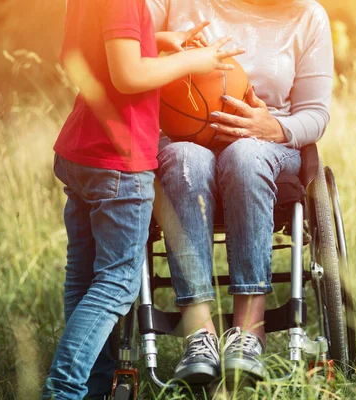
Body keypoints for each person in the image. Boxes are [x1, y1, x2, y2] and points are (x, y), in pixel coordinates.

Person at [41, 0, 244, 397]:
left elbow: (82, 55)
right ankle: (63, 390)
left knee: (83, 279)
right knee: (116, 284)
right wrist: (194, 61)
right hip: (119, 160)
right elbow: (128, 74)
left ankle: (94, 387)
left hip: (80, 150)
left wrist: (154, 41)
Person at [148, 0, 334, 387]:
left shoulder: (308, 16)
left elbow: (316, 113)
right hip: (182, 142)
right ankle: (199, 336)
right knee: (186, 158)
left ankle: (249, 332)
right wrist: (169, 42)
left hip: (268, 149)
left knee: (244, 155)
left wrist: (274, 127)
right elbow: (123, 46)